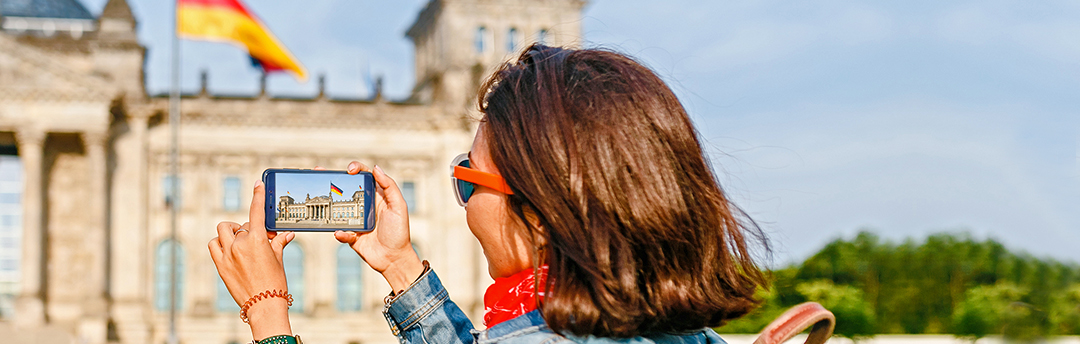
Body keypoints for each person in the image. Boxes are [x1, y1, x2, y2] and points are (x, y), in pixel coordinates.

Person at [208, 44, 769, 344]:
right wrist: (400, 266)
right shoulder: (688, 336)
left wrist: (267, 312)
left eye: (467, 178)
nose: (465, 206)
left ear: (541, 213)